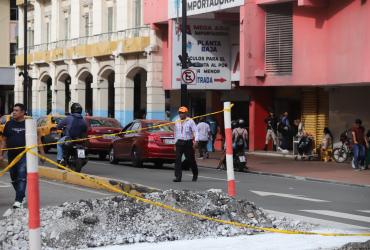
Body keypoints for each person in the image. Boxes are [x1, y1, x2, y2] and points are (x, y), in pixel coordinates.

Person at [0, 103, 45, 209]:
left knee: (21, 176)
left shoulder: (30, 124)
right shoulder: (9, 124)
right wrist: (1, 154)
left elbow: (38, 140)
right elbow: (4, 141)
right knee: (14, 177)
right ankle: (21, 195)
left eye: (16, 110)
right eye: (13, 110)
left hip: (26, 155)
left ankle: (18, 200)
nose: (14, 112)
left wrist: (42, 154)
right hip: (12, 155)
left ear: (23, 112)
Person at [173, 106, 198, 182]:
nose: (181, 114)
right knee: (177, 160)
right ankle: (178, 177)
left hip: (188, 142)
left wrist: (196, 141)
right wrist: (175, 143)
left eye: (182, 113)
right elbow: (175, 133)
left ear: (186, 113)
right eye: (180, 113)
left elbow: (196, 131)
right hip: (179, 142)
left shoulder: (190, 121)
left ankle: (195, 174)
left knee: (191, 160)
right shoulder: (176, 121)